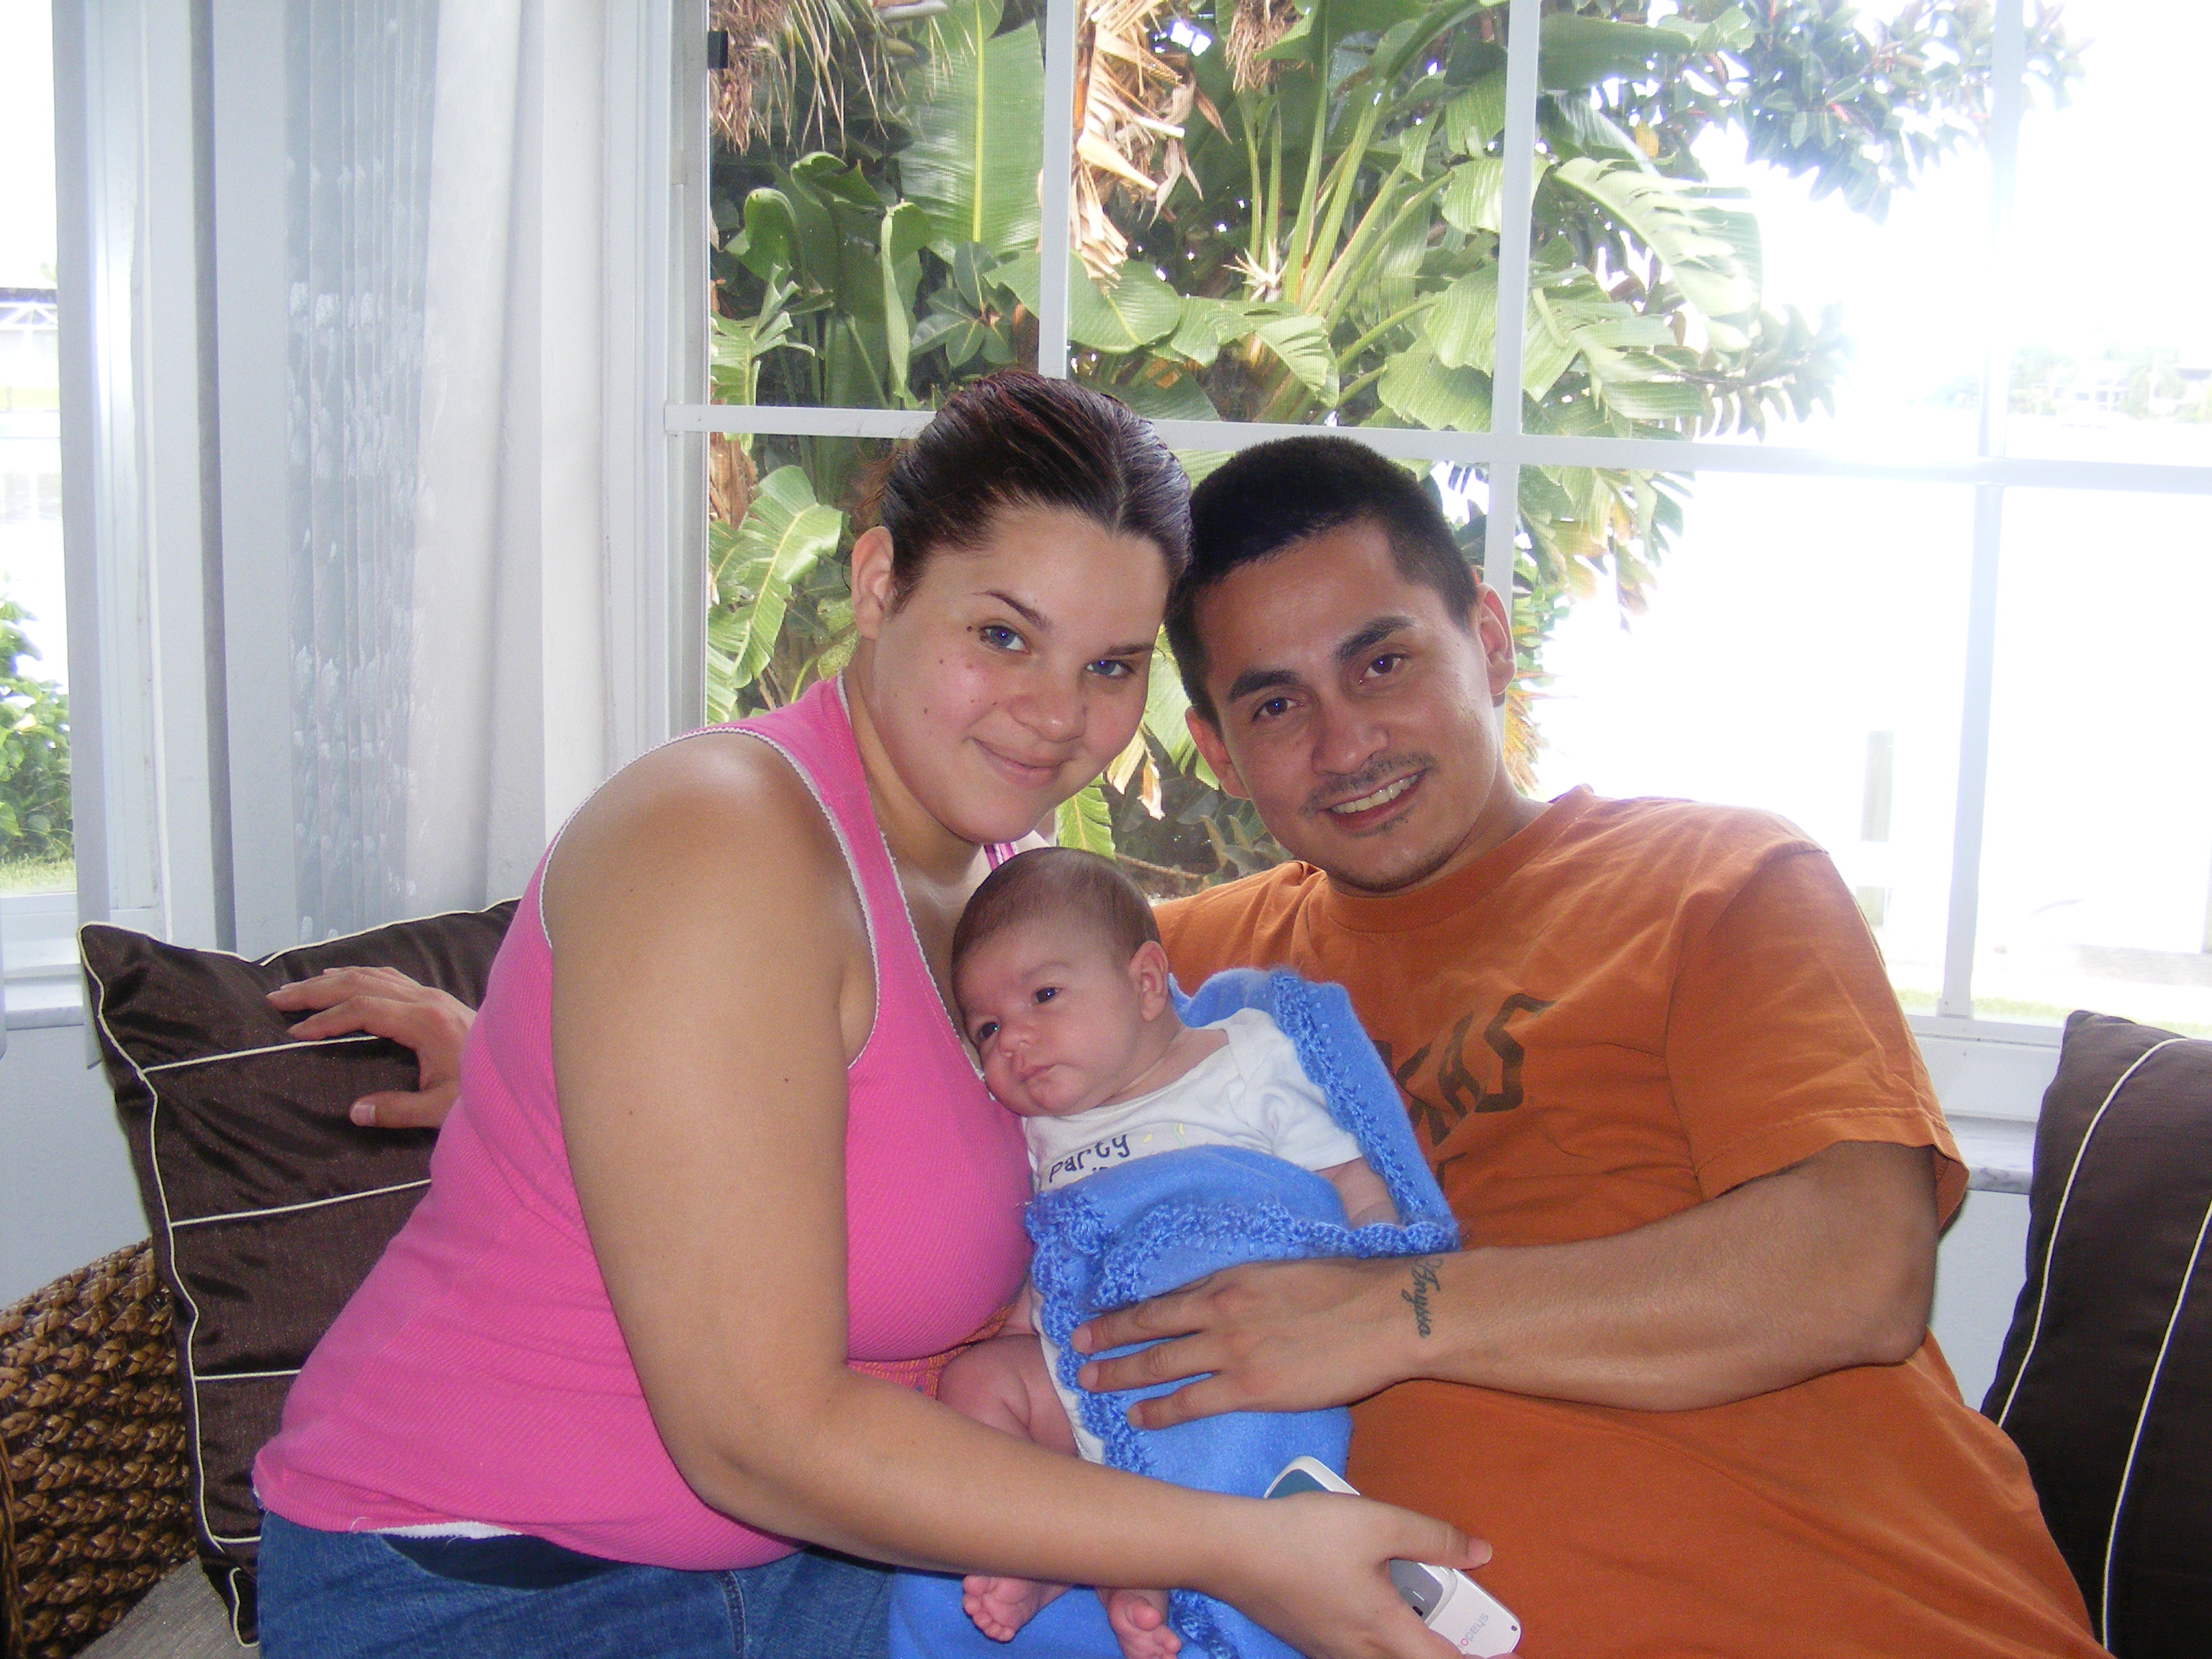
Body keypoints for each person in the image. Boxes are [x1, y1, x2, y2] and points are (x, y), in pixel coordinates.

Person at [247, 378, 1485, 1659]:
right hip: (499, 1581)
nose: (1057, 713)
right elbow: (754, 1434)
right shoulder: (719, 834)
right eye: (1003, 635)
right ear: (881, 582)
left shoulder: (1002, 889)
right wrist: (1231, 1548)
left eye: (1109, 665)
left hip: (817, 1565)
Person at [1061, 435, 2105, 1657]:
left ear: (1490, 640)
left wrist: (1385, 1314)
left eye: (1383, 662)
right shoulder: (1158, 982)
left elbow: (1856, 1269)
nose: (1346, 747)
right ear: (1217, 750)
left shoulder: (1711, 881)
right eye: (1277, 705)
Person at [935, 847, 1396, 1657]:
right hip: (1093, 1357)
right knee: (974, 1384)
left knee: (1212, 1442)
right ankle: (1053, 1546)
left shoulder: (1240, 1056)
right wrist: (1021, 1326)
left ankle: (1136, 1558)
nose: (1015, 1040)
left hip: (1227, 1343)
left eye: (1044, 995)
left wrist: (1378, 1275)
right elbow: (1066, 1243)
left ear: (1148, 983)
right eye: (988, 1029)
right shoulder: (1041, 1131)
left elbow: (1344, 1176)